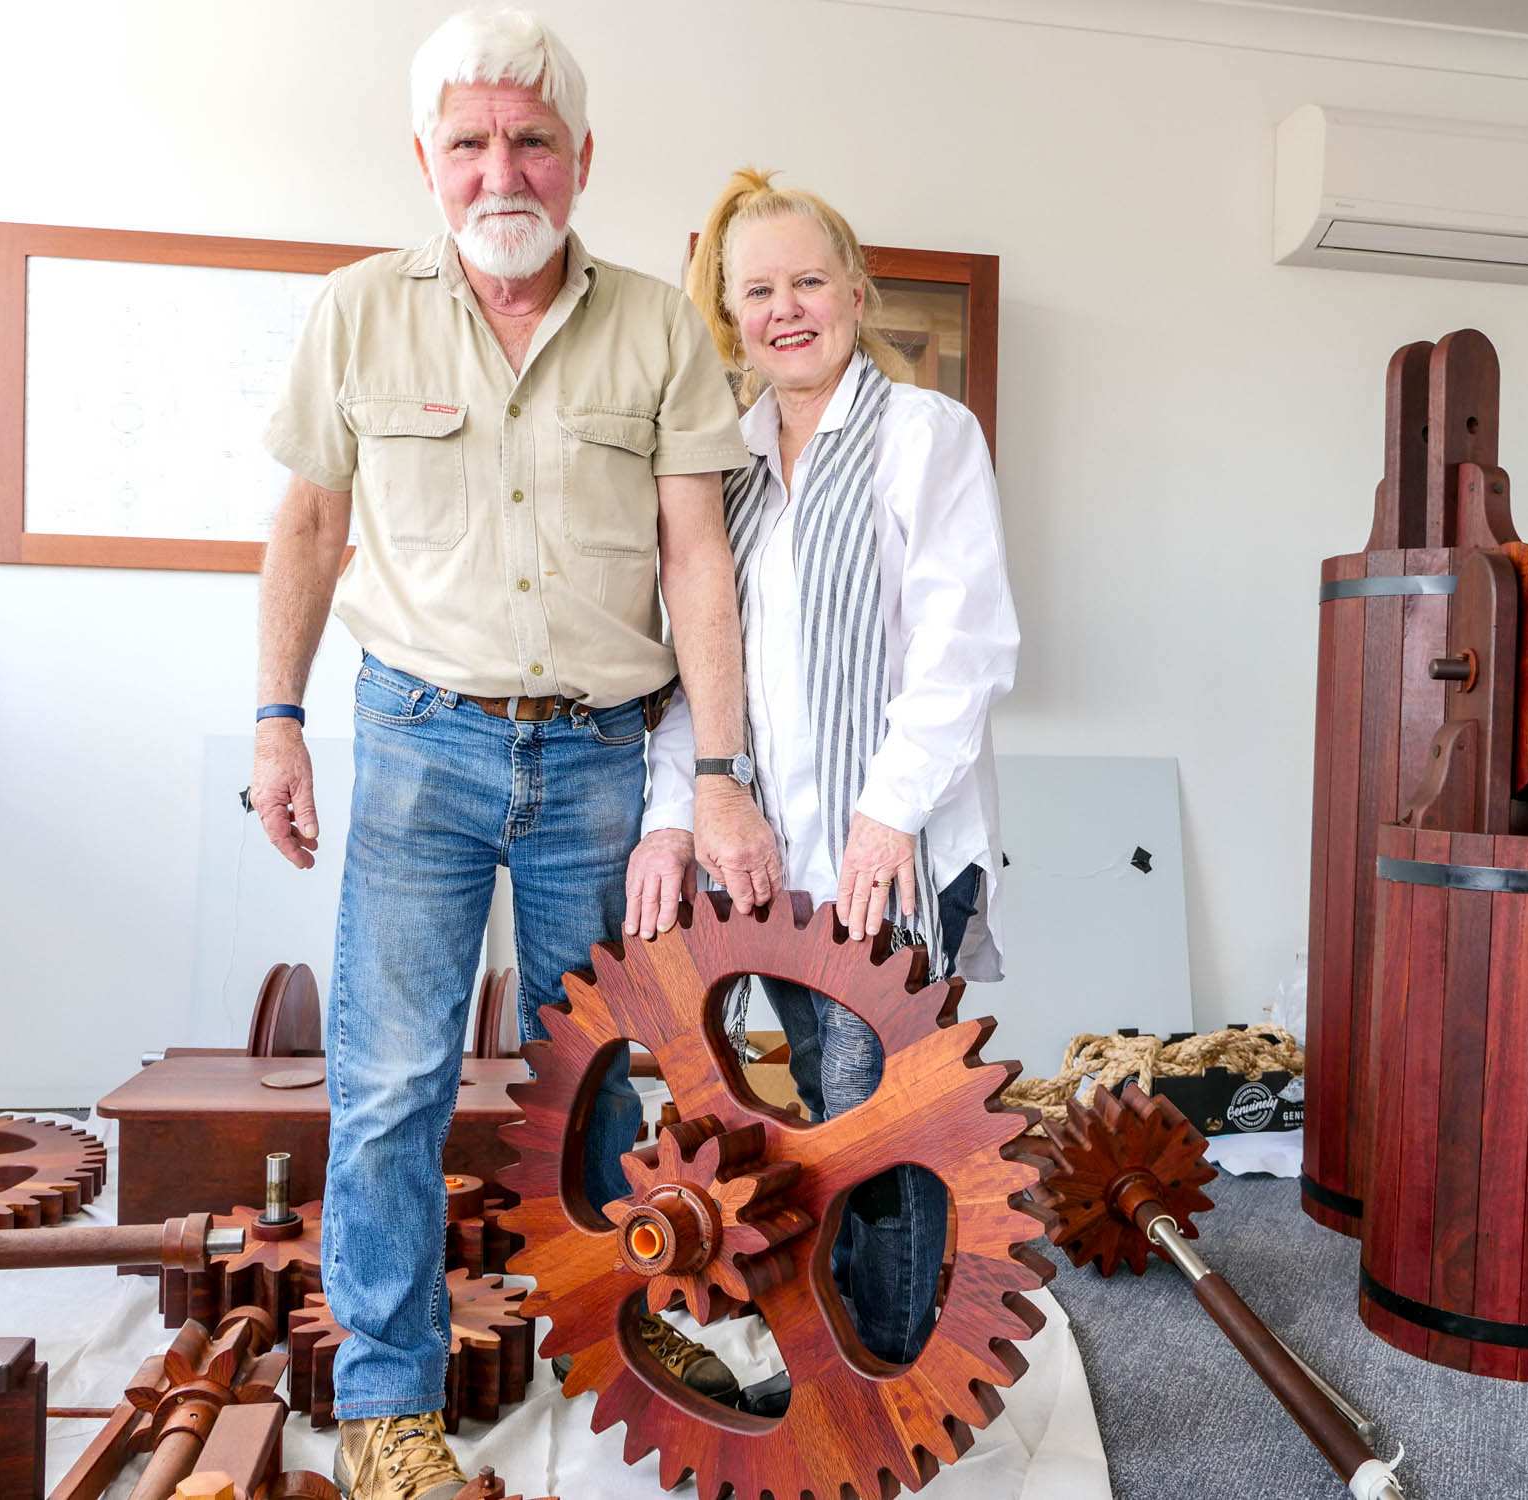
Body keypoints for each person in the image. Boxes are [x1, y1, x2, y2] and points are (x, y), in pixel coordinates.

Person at [249, 13, 781, 1496]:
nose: (503, 170)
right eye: (472, 142)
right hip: (417, 743)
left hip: (602, 762)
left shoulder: (659, 329)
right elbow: (308, 526)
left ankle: (618, 1347)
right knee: (390, 1085)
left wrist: (720, 772)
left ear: (581, 158)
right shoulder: (356, 313)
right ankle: (389, 1407)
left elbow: (697, 557)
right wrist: (277, 718)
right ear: (426, 158)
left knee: (604, 1075)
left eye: (532, 141)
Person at [632, 169, 1019, 1367]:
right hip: (775, 862)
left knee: (877, 1124)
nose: (785, 308)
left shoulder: (924, 437)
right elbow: (694, 673)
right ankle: (838, 1347)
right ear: (730, 315)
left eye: (808, 280)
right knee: (810, 1103)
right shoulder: (723, 466)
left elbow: (964, 648)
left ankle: (887, 1377)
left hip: (893, 850)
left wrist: (885, 814)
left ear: (856, 291)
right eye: (758, 291)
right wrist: (670, 819)